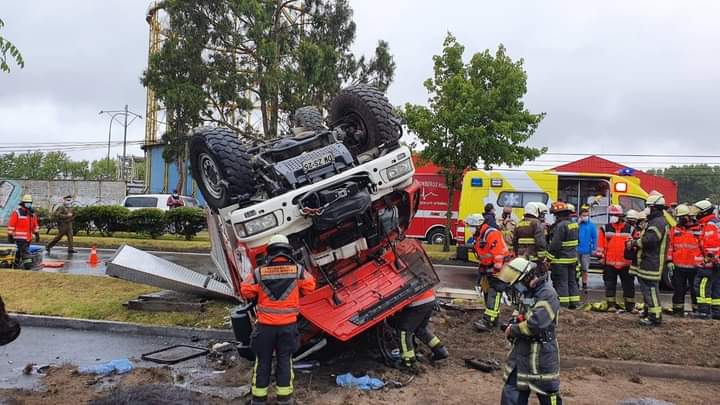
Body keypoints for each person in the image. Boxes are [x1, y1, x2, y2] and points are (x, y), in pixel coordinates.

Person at [240, 234, 316, 405]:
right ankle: (285, 399)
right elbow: (311, 286)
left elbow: (245, 290)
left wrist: (259, 294)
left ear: (270, 251)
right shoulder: (298, 270)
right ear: (288, 250)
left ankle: (259, 399)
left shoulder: (259, 272)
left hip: (265, 328)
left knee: (263, 362)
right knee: (284, 361)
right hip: (288, 327)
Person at [498, 257, 562, 405]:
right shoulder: (528, 292)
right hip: (522, 353)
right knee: (511, 392)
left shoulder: (548, 294)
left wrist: (513, 330)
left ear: (526, 277)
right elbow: (519, 312)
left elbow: (536, 324)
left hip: (542, 355)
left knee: (548, 396)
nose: (515, 288)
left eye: (516, 283)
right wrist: (513, 322)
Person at [629, 193, 669, 326]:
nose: (647, 209)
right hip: (648, 261)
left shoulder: (657, 222)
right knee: (647, 290)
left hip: (652, 262)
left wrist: (635, 243)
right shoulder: (656, 221)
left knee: (651, 290)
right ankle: (648, 311)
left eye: (649, 207)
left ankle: (655, 317)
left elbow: (650, 241)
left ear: (654, 208)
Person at [473, 217, 511, 332]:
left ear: (479, 225)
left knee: (494, 292)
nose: (471, 230)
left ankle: (489, 320)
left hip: (497, 268)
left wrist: (497, 269)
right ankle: (493, 318)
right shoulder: (480, 235)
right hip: (488, 267)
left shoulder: (491, 234)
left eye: (473, 227)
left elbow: (499, 253)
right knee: (487, 291)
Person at [396, 288, 449, 369]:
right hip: (429, 298)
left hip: (417, 302)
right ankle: (440, 351)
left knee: (404, 332)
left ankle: (408, 362)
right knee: (420, 329)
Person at [666, 204, 702, 316]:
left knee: (695, 291)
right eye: (678, 217)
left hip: (695, 266)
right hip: (678, 266)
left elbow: (703, 246)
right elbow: (670, 246)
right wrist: (669, 261)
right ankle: (678, 311)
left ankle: (697, 310)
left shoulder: (699, 229)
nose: (679, 220)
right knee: (678, 290)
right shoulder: (675, 229)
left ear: (689, 216)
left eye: (682, 217)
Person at [597, 205, 635, 312]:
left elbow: (634, 245)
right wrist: (601, 257)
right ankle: (611, 305)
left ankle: (630, 306)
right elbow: (601, 245)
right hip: (610, 263)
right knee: (610, 285)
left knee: (628, 286)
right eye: (612, 215)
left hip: (626, 263)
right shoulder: (605, 228)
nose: (613, 217)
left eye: (615, 215)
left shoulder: (630, 229)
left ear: (621, 216)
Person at [547, 202, 580, 309]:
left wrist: (548, 259)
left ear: (558, 214)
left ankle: (563, 305)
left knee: (561, 283)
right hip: (572, 259)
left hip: (560, 260)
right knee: (572, 281)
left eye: (555, 215)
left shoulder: (560, 226)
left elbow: (555, 245)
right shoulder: (573, 224)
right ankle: (574, 303)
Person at [692, 200, 720, 319]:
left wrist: (707, 260)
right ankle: (716, 311)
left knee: (702, 285)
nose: (695, 214)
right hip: (716, 262)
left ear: (704, 212)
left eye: (698, 211)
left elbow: (712, 246)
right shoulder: (714, 222)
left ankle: (704, 311)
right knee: (716, 287)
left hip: (710, 263)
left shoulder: (709, 225)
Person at [7, 195, 39, 269]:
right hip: (19, 238)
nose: (28, 204)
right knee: (26, 252)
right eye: (26, 202)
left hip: (28, 238)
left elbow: (35, 225)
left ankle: (15, 264)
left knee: (20, 251)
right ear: (23, 203)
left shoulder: (32, 214)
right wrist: (10, 235)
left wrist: (37, 234)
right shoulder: (17, 213)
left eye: (29, 202)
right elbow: (11, 225)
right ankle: (28, 267)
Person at [513, 202, 547, 270]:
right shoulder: (536, 223)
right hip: (534, 256)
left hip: (521, 257)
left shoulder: (519, 223)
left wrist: (517, 254)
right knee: (536, 276)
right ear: (535, 211)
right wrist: (542, 257)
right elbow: (540, 241)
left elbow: (514, 241)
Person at [576, 207, 597, 294]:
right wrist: (577, 224)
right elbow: (572, 234)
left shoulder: (591, 225)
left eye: (587, 215)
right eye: (583, 215)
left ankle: (584, 284)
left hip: (586, 251)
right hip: (576, 250)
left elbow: (594, 237)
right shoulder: (576, 225)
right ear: (580, 216)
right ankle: (576, 282)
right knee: (576, 268)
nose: (585, 217)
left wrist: (593, 248)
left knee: (585, 269)